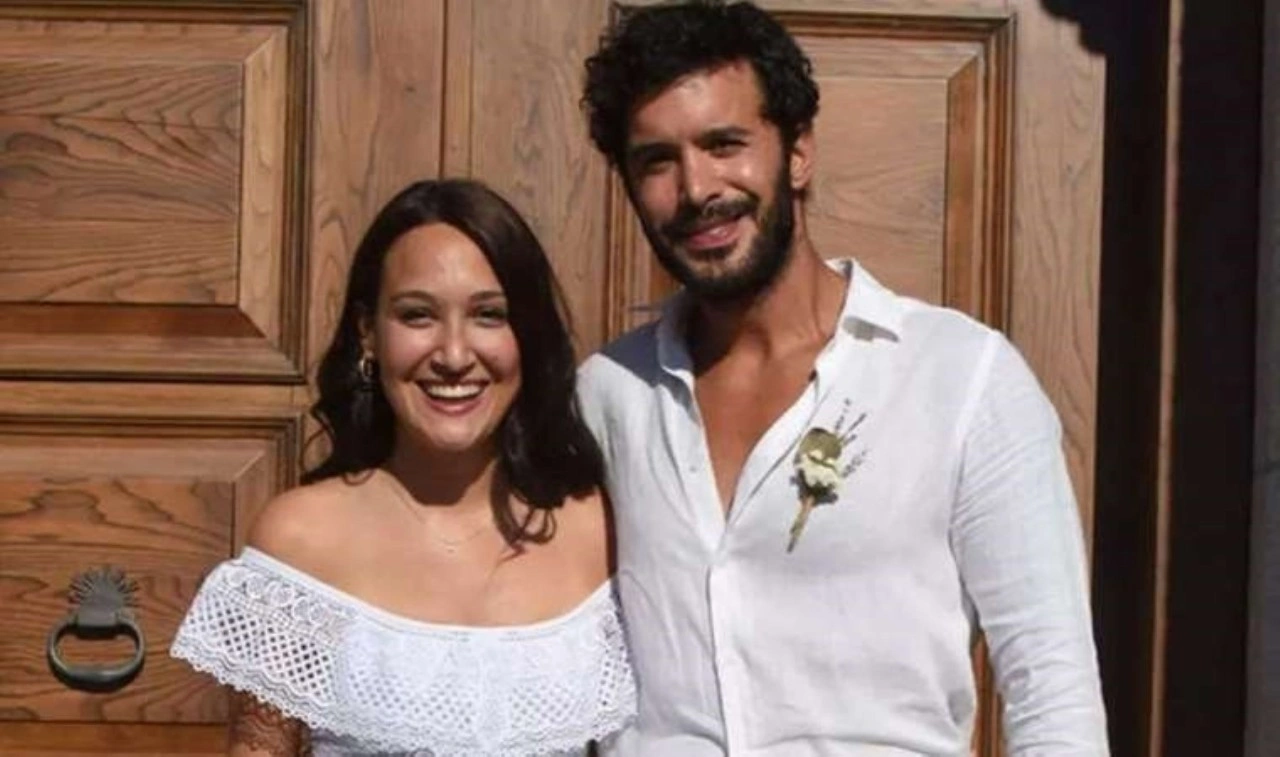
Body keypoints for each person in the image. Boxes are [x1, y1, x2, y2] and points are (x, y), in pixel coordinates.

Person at [576, 1, 1109, 755]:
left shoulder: (959, 378)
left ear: (798, 151)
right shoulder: (607, 397)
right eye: (656, 161)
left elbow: (1052, 688)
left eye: (725, 144)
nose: (696, 188)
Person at [171, 179, 636, 756]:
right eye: (418, 316)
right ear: (368, 332)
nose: (454, 355)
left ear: (527, 335)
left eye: (489, 315)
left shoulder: (598, 533)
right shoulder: (301, 541)